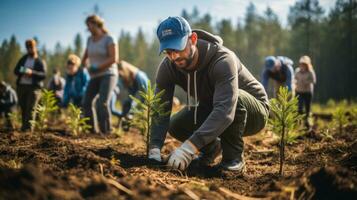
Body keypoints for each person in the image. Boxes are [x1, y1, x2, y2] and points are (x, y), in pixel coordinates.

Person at [148, 16, 270, 173]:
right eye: (168, 51)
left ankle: (233, 160)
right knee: (177, 125)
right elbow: (160, 108)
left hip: (254, 111)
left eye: (178, 48)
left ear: (192, 38)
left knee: (234, 99)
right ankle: (211, 149)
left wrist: (189, 147)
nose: (174, 56)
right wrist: (155, 148)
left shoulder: (223, 60)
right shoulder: (168, 67)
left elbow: (225, 110)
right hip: (213, 106)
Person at [81, 15, 118, 135]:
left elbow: (114, 58)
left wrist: (98, 67)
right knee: (86, 102)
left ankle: (107, 131)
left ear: (97, 24)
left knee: (103, 102)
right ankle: (92, 131)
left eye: (89, 25)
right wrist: (84, 65)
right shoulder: (89, 40)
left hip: (108, 74)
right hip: (94, 76)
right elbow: (85, 56)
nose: (88, 29)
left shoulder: (109, 38)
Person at [14, 39, 47, 131]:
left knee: (31, 108)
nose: (30, 49)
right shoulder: (23, 59)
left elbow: (43, 75)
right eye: (28, 47)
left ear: (35, 47)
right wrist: (23, 71)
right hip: (21, 86)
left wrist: (32, 72)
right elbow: (16, 70)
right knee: (23, 107)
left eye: (31, 47)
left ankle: (29, 130)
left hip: (34, 88)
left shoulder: (39, 61)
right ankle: (23, 128)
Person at [294, 55, 316, 130]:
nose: (302, 66)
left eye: (304, 64)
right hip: (299, 91)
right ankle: (298, 123)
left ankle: (307, 123)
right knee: (299, 108)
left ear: (307, 65)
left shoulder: (310, 72)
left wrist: (306, 82)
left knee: (307, 108)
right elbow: (294, 79)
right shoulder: (297, 71)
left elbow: (313, 81)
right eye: (301, 64)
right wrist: (295, 83)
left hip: (307, 92)